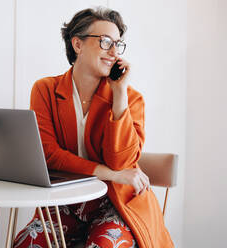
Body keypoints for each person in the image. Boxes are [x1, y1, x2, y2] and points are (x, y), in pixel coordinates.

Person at [13, 7, 174, 248]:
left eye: (117, 44)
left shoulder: (131, 98)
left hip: (115, 202)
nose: (113, 52)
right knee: (27, 243)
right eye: (105, 41)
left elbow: (121, 162)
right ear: (77, 44)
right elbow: (49, 156)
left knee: (104, 244)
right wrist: (110, 174)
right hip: (65, 203)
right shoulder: (45, 90)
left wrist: (119, 96)